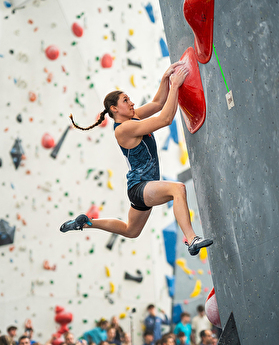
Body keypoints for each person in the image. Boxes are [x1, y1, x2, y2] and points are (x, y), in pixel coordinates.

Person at [60, 62, 213, 257]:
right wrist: (175, 86)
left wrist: (166, 79)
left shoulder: (133, 117)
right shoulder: (124, 129)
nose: (132, 103)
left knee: (131, 231)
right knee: (178, 189)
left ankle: (87, 222)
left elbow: (158, 103)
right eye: (126, 100)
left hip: (140, 187)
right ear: (114, 108)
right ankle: (192, 239)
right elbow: (165, 119)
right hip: (141, 187)